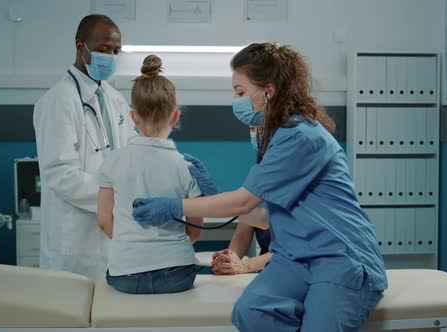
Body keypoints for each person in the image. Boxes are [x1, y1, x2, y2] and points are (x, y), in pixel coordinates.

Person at [132, 42, 387, 331]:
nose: (235, 99)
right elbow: (264, 216)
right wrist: (214, 197)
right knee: (251, 312)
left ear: (268, 92)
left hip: (340, 258)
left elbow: (243, 203)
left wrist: (173, 206)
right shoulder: (276, 137)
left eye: (240, 92)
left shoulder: (301, 135)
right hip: (296, 258)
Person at [33, 15, 135, 279]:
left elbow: (130, 153)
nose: (111, 57)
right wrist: (114, 198)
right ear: (81, 47)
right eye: (103, 50)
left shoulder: (115, 100)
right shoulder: (59, 100)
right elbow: (60, 174)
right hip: (75, 247)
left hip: (112, 239)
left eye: (116, 51)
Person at [96, 55, 203, 294]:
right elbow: (195, 231)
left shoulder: (113, 162)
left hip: (126, 275)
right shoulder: (187, 167)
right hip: (178, 274)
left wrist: (131, 243)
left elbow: (104, 220)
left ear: (133, 117)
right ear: (175, 116)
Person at [211, 126, 272, 275]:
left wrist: (246, 265)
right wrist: (229, 259)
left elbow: (294, 249)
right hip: (267, 275)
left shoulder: (303, 182)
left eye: (259, 128)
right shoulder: (259, 178)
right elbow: (242, 234)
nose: (256, 133)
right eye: (253, 128)